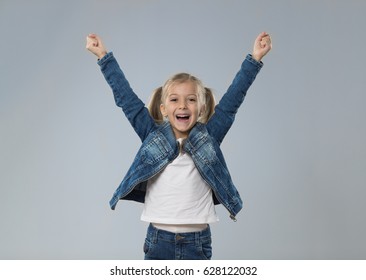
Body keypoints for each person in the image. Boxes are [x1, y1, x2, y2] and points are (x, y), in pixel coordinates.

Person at [86, 32, 271, 260]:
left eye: (191, 100)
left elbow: (232, 102)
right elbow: (127, 101)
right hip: (157, 240)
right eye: (174, 99)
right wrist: (103, 57)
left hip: (198, 242)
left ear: (201, 108)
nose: (183, 105)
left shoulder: (209, 137)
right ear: (164, 108)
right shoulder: (152, 135)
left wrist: (254, 58)